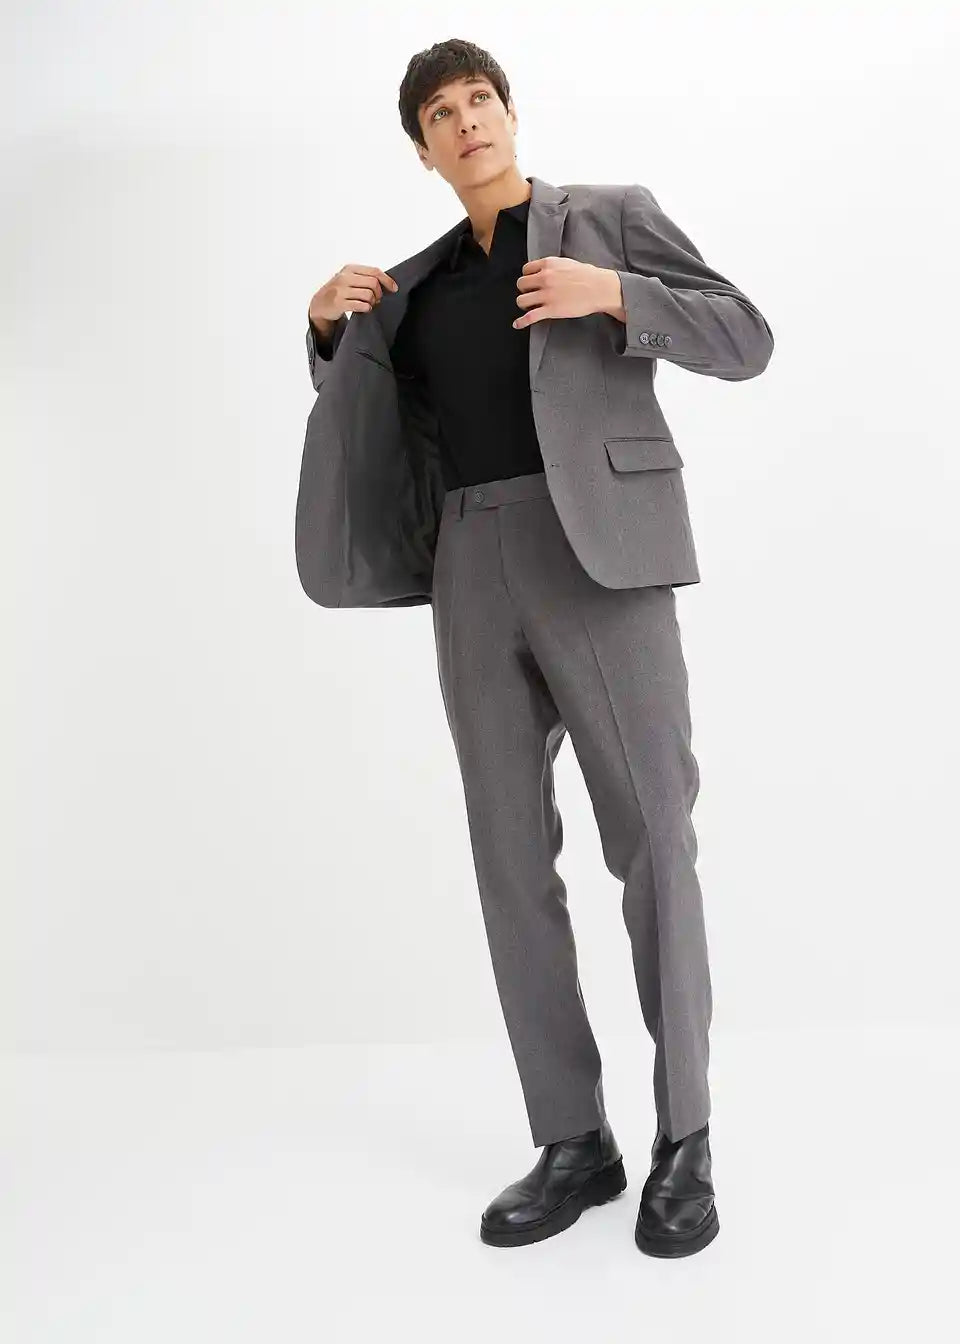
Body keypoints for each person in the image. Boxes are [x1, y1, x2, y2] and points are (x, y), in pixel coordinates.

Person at [298, 37, 774, 1257]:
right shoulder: (411, 290)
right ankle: (573, 1140)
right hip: (471, 562)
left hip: (601, 556)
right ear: (421, 150)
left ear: (511, 113)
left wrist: (613, 295)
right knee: (509, 860)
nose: (465, 122)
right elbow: (375, 421)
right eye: (439, 115)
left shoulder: (607, 220)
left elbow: (745, 336)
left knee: (654, 840)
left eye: (479, 100)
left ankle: (686, 1138)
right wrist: (325, 333)